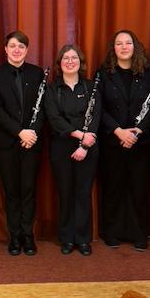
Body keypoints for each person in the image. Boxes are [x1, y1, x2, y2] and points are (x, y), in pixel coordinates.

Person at [98, 30, 150, 251]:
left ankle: (139, 233)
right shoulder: (103, 74)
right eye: (119, 43)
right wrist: (119, 131)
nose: (124, 47)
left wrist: (137, 132)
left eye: (128, 43)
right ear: (113, 48)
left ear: (135, 46)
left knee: (139, 188)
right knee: (113, 187)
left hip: (141, 142)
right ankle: (111, 232)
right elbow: (98, 107)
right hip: (113, 141)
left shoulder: (149, 74)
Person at [0, 30, 47, 256]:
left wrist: (32, 134)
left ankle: (28, 235)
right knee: (12, 191)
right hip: (7, 143)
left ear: (27, 50)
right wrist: (20, 132)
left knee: (29, 190)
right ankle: (14, 236)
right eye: (12, 46)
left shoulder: (37, 73)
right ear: (5, 49)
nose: (17, 50)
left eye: (21, 46)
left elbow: (43, 108)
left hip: (31, 143)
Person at [44, 44, 101, 256]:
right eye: (66, 58)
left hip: (88, 147)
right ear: (60, 63)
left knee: (83, 193)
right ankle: (67, 238)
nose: (70, 61)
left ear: (80, 62)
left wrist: (85, 145)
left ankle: (83, 239)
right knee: (65, 193)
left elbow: (95, 116)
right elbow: (54, 119)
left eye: (74, 58)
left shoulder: (91, 86)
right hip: (62, 148)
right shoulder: (52, 89)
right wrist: (79, 135)